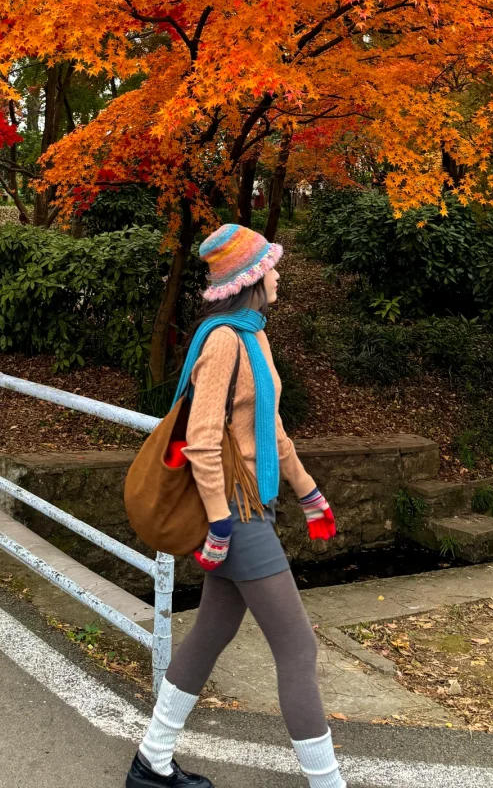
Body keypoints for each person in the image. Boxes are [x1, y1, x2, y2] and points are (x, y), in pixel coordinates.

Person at [128, 224, 342, 788]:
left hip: (254, 507)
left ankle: (151, 760)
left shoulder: (256, 337)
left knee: (210, 633)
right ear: (252, 278)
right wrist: (220, 523)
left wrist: (309, 492)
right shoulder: (224, 341)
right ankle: (328, 785)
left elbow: (270, 429)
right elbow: (201, 439)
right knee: (298, 647)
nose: (279, 273)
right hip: (236, 515)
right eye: (272, 265)